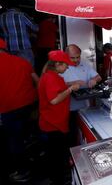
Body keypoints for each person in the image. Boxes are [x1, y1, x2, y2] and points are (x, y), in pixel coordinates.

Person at [38, 50, 80, 185]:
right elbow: (54, 100)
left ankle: (59, 177)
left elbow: (56, 90)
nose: (67, 67)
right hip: (52, 123)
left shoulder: (51, 76)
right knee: (56, 156)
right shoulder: (50, 77)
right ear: (57, 64)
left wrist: (68, 85)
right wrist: (70, 89)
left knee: (56, 154)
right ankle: (59, 180)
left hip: (55, 121)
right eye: (65, 65)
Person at [0, 38, 38, 183]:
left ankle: (23, 172)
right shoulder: (22, 61)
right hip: (29, 104)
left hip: (8, 108)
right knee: (24, 134)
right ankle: (32, 156)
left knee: (14, 140)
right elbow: (37, 80)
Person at [61, 44, 102, 146]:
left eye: (78, 57)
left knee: (83, 134)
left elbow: (98, 77)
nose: (76, 60)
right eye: (72, 58)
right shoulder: (61, 67)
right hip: (67, 109)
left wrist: (94, 80)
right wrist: (73, 83)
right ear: (66, 56)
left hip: (84, 108)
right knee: (70, 136)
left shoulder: (85, 65)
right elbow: (56, 85)